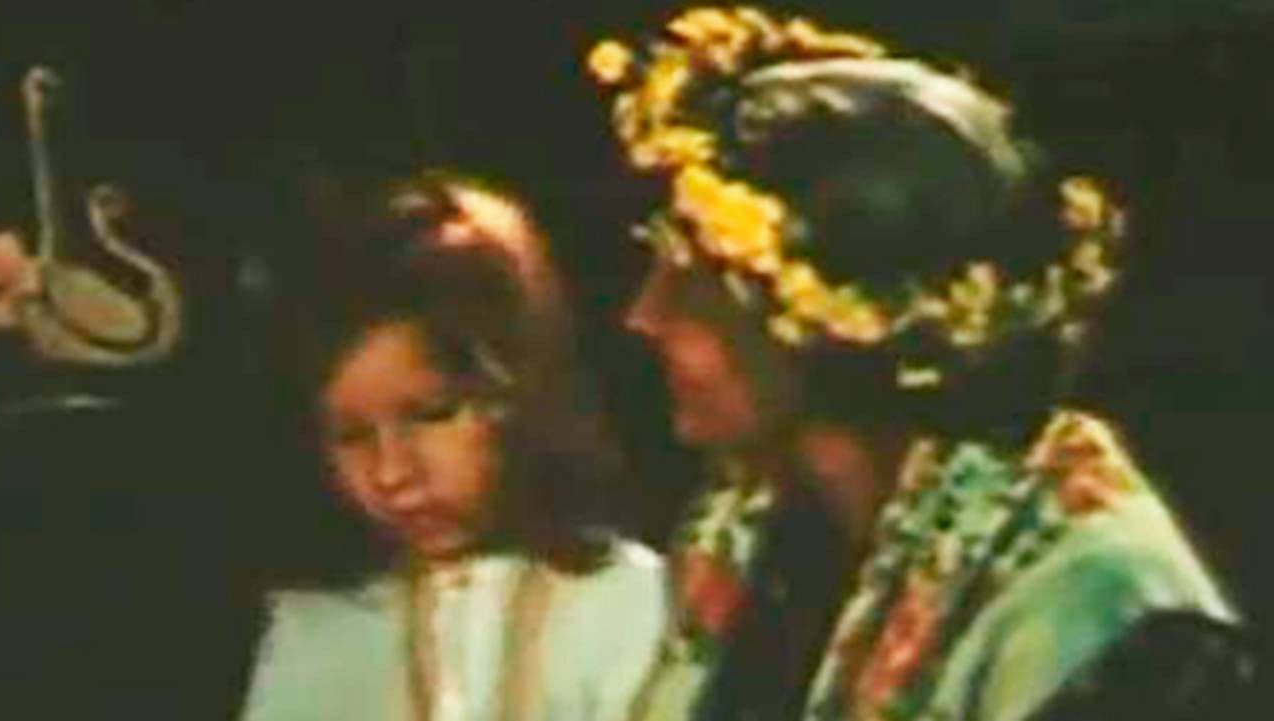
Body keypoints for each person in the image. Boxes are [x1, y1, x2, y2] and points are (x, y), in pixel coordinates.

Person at [586, 7, 1248, 720]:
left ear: (824, 318)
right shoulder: (753, 538)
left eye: (690, 285)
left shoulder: (1100, 609)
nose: (644, 316)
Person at [238, 172, 666, 721]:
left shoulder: (627, 602)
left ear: (518, 390)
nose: (392, 473)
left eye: (431, 415)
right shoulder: (319, 630)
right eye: (352, 437)